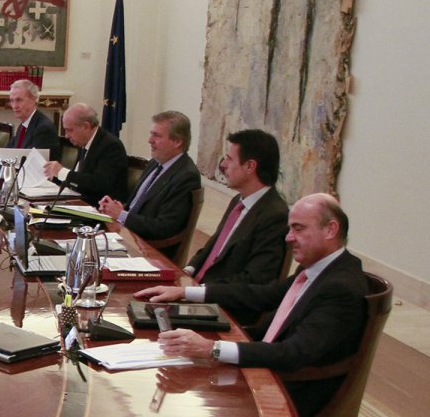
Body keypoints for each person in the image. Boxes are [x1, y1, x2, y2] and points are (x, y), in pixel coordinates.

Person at [135, 193, 368, 417]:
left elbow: (293, 353)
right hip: (266, 371)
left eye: (298, 228)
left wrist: (211, 348)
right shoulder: (318, 267)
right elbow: (261, 294)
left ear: (330, 230)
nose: (288, 237)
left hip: (289, 393)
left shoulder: (341, 286)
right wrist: (185, 291)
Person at [185, 129, 288, 286]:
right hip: (196, 286)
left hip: (219, 302)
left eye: (229, 159)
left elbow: (254, 279)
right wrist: (188, 270)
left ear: (250, 166)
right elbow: (215, 246)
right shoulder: (238, 200)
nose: (223, 165)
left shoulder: (274, 216)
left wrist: (198, 291)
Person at [97, 111, 201, 259]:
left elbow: (164, 227)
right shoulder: (155, 163)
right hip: (128, 237)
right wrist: (115, 208)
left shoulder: (185, 176)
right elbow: (137, 206)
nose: (149, 140)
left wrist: (121, 215)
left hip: (150, 251)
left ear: (177, 141)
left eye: (157, 136)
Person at [43, 103, 128, 206]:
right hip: (79, 203)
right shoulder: (83, 143)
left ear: (86, 126)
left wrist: (62, 172)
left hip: (98, 209)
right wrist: (54, 176)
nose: (66, 136)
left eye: (69, 130)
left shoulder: (111, 146)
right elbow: (79, 178)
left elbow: (98, 184)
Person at [0, 79, 60, 167]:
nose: (14, 106)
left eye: (19, 100)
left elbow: (29, 162)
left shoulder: (43, 128)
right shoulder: (24, 125)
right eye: (12, 101)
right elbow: (10, 148)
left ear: (33, 100)